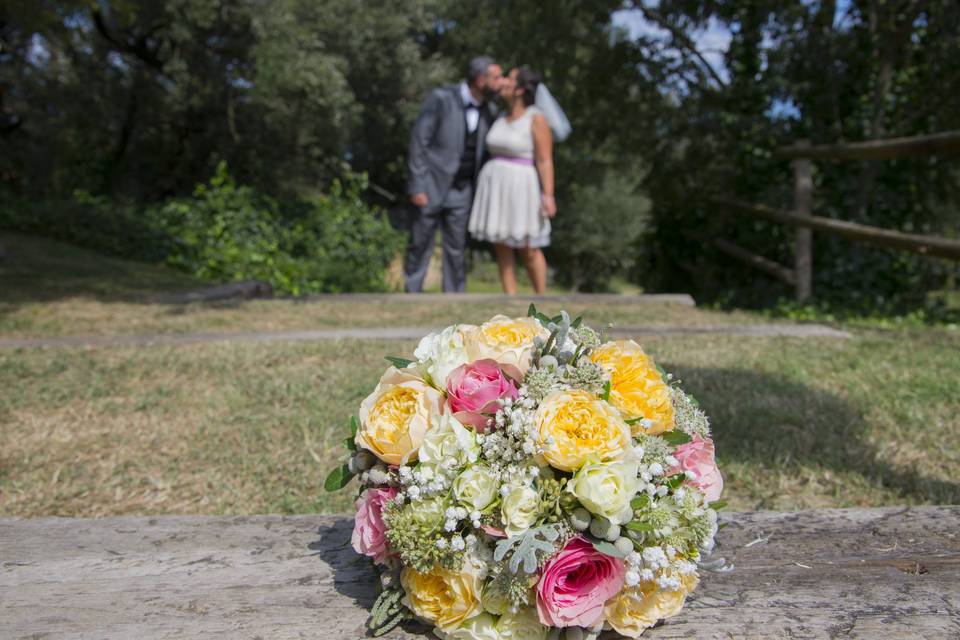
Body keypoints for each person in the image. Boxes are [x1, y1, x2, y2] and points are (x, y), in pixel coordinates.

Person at [404, 57, 503, 293]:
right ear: (481, 79)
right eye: (497, 77)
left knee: (457, 247)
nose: (501, 83)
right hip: (430, 184)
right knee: (420, 242)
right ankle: (411, 293)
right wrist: (417, 185)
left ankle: (455, 298)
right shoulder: (441, 99)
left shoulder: (490, 110)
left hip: (463, 189)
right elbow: (419, 142)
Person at [468, 66, 557, 295]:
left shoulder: (535, 119)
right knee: (502, 245)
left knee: (528, 247)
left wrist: (548, 195)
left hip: (522, 186)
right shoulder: (500, 117)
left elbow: (545, 160)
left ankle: (542, 299)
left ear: (519, 89)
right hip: (496, 187)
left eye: (509, 78)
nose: (504, 81)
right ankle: (510, 299)